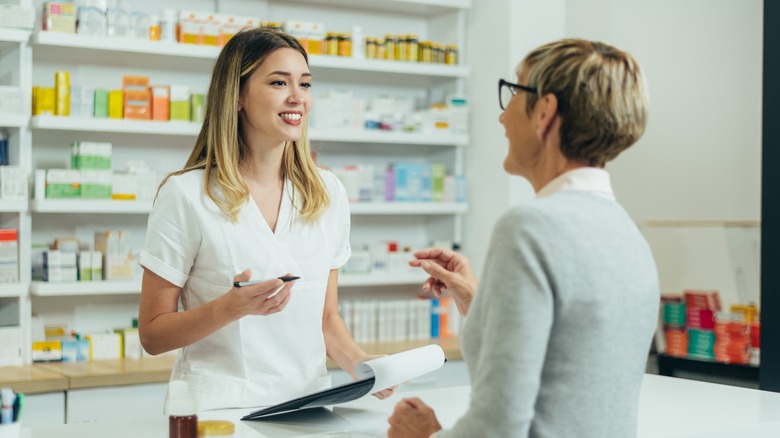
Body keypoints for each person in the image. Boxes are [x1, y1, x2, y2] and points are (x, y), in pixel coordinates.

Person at [387, 38, 659, 437]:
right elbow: (570, 364)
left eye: (514, 91)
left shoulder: (530, 227)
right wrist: (481, 302)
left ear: (545, 111)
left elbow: (499, 427)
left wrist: (425, 435)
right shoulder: (626, 232)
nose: (502, 117)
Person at [137, 28, 392, 411]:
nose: (298, 98)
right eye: (278, 82)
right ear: (237, 96)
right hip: (219, 412)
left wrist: (359, 362)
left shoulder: (327, 193)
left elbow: (325, 317)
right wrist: (231, 307)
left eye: (304, 84)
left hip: (308, 404)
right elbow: (152, 334)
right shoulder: (186, 194)